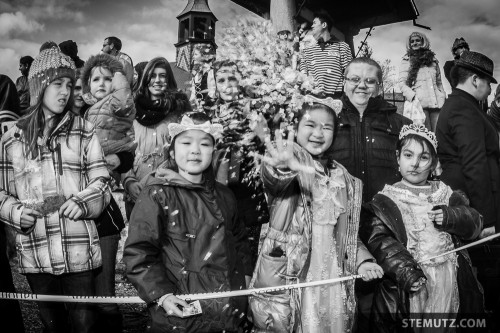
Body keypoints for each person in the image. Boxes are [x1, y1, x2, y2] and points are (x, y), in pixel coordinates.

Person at [0, 45, 111, 333]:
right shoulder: (11, 140)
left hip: (78, 250)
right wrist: (13, 213)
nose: (65, 91)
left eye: (69, 84)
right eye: (57, 84)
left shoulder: (85, 130)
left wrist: (85, 201)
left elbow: (102, 181)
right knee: (53, 326)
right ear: (39, 87)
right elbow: (0, 193)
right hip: (36, 252)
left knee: (84, 325)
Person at [249, 96, 383, 333]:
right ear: (295, 129)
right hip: (293, 273)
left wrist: (361, 260)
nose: (318, 133)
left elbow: (346, 232)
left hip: (332, 272)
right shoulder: (292, 162)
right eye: (310, 125)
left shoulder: (343, 178)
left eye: (327, 127)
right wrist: (282, 165)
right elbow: (275, 178)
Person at [124, 112, 252, 333]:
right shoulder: (158, 194)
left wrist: (245, 282)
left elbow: (239, 242)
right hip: (181, 312)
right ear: (172, 151)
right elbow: (140, 251)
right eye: (186, 143)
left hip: (226, 310)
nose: (195, 150)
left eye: (204, 144)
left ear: (213, 152)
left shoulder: (225, 196)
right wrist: (161, 295)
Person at [360, 124, 485, 332]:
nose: (415, 164)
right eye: (408, 155)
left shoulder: (445, 193)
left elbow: (474, 223)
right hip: (408, 282)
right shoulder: (385, 199)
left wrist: (451, 216)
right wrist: (406, 271)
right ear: (398, 157)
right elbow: (379, 241)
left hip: (447, 278)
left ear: (433, 163)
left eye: (424, 158)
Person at [436, 50, 500, 317]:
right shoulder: (465, 109)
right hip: (476, 207)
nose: (488, 90)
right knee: (490, 280)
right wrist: (484, 219)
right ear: (475, 80)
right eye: (488, 83)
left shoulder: (462, 106)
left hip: (474, 204)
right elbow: (475, 165)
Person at [122, 57, 191, 219]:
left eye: (163, 76)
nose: (157, 80)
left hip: (168, 190)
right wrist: (129, 182)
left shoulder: (179, 110)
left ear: (169, 80)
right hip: (135, 191)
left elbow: (184, 151)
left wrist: (152, 179)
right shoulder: (131, 109)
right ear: (146, 79)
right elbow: (123, 149)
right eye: (153, 76)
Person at [398, 32, 446, 131]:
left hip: (436, 104)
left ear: (423, 41)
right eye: (412, 41)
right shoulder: (407, 60)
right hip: (419, 105)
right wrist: (413, 96)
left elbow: (439, 82)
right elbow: (402, 83)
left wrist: (442, 95)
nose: (414, 43)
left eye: (417, 40)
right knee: (425, 135)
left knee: (439, 135)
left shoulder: (433, 61)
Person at [300, 13, 352, 98]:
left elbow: (349, 73)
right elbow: (303, 74)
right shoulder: (307, 49)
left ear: (324, 25)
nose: (312, 26)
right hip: (313, 98)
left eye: (314, 23)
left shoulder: (342, 46)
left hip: (337, 98)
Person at [190, 44, 216, 110]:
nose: (193, 57)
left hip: (208, 106)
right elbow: (193, 91)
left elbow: (212, 91)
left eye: (195, 54)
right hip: (196, 107)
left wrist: (205, 103)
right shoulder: (195, 72)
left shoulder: (210, 71)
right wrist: (191, 102)